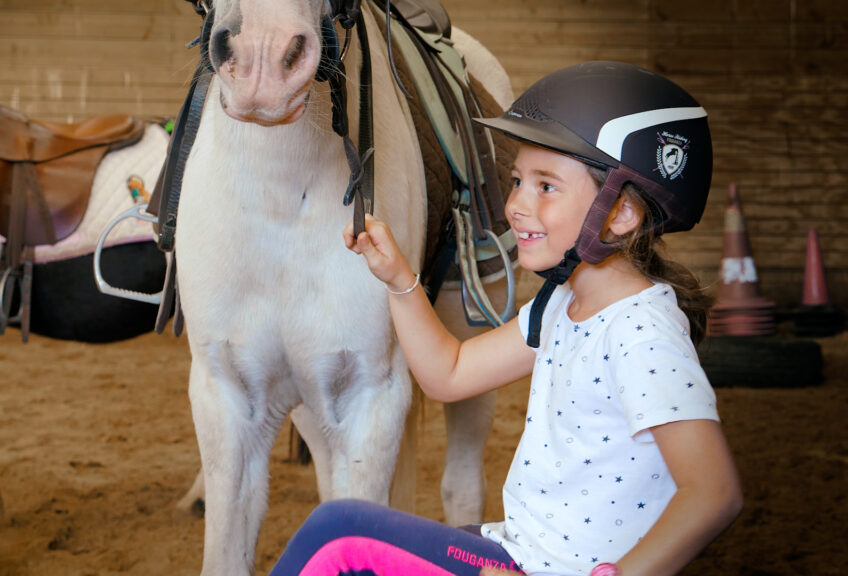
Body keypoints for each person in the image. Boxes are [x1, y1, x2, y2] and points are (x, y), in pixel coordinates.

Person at [268, 61, 742, 576]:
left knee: (340, 534)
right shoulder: (561, 304)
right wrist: (399, 278)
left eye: (546, 186)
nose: (515, 203)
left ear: (622, 213)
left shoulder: (641, 332)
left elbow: (713, 493)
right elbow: (449, 374)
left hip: (536, 568)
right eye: (518, 180)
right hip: (510, 550)